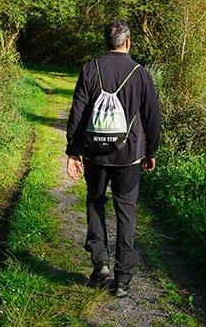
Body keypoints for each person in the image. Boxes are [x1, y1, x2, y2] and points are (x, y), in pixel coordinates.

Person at [65, 20, 161, 298]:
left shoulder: (90, 69)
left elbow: (78, 112)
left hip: (95, 155)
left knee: (95, 203)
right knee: (126, 211)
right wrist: (151, 151)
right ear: (127, 41)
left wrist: (74, 150)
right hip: (129, 157)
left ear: (107, 42)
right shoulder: (140, 73)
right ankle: (123, 279)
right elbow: (152, 116)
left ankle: (100, 267)